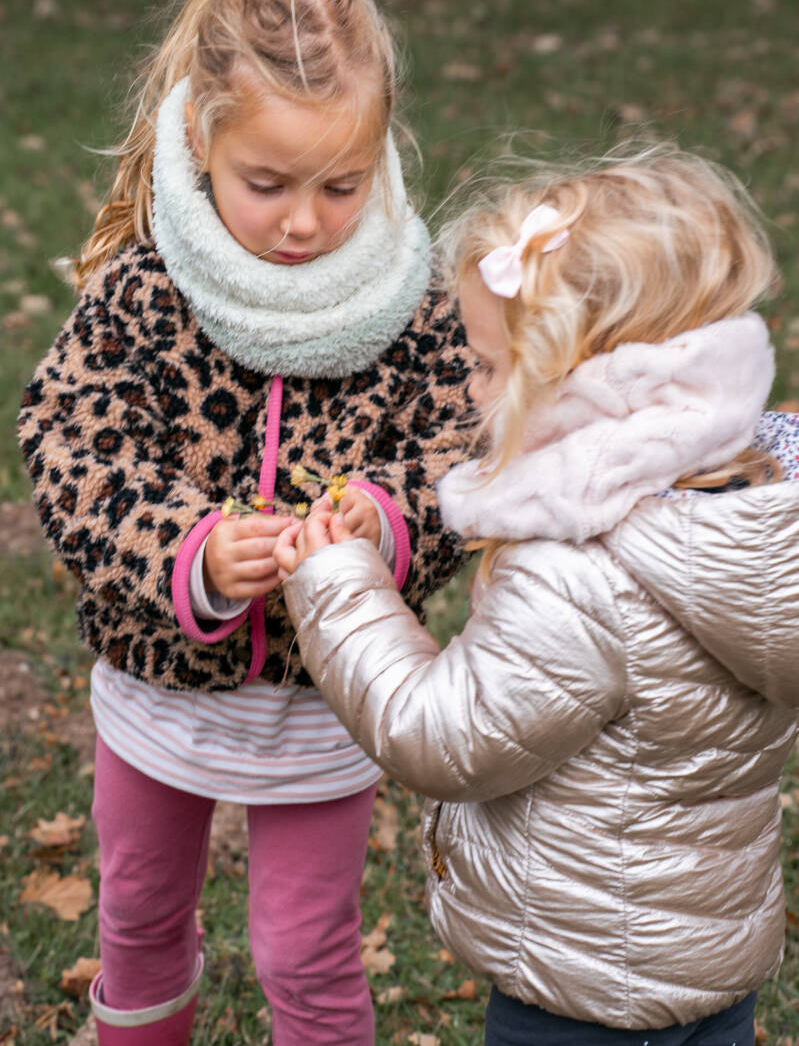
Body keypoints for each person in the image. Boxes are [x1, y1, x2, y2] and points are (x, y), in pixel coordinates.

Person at [17, 0, 473, 1045]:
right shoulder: (147, 288)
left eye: (341, 183)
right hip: (159, 690)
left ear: (381, 153)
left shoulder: (409, 302)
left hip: (323, 703)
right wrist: (192, 549)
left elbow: (460, 452)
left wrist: (385, 523)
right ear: (198, 145)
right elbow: (71, 443)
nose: (306, 221)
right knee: (135, 911)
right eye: (266, 183)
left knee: (304, 946)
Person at [275, 143, 799, 1046]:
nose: (468, 387)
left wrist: (335, 586)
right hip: (708, 960)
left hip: (579, 983)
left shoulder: (583, 569)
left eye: (484, 365)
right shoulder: (749, 510)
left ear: (580, 383)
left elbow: (443, 733)